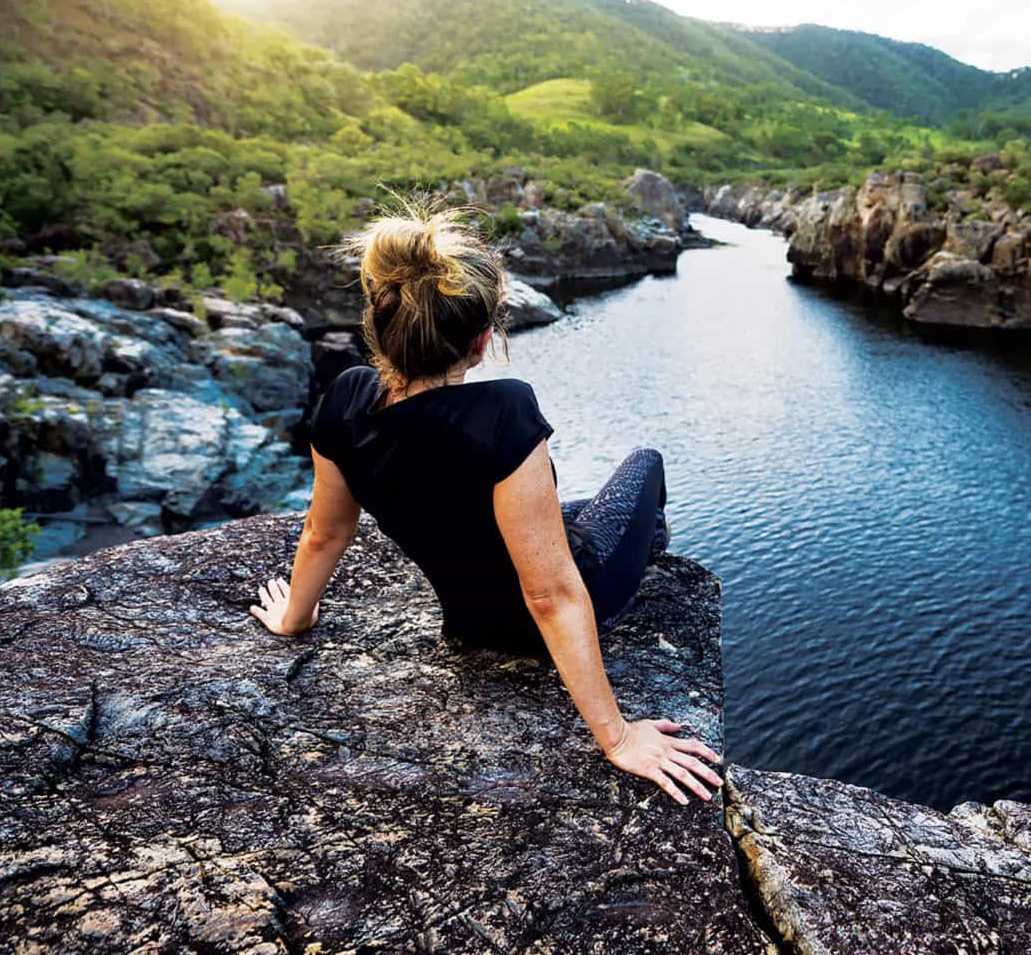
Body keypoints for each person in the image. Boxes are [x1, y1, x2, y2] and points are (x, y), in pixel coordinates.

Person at [246, 197, 721, 806]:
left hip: (468, 623)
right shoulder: (503, 412)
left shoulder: (344, 398)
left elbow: (323, 533)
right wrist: (619, 738)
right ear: (480, 341)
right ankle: (652, 544)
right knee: (644, 467)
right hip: (575, 599)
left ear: (381, 322)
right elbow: (551, 593)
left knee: (563, 509)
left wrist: (296, 617)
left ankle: (596, 532)